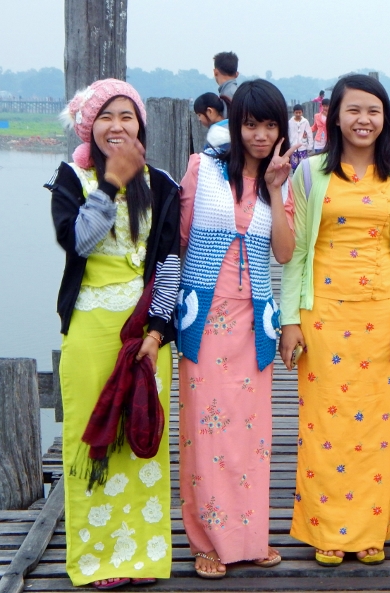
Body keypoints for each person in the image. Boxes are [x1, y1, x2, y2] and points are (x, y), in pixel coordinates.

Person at [279, 74, 390, 567]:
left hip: (380, 316)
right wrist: (290, 319)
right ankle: (327, 529)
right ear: (334, 117)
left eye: (373, 111)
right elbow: (297, 252)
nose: (364, 120)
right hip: (323, 313)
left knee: (376, 425)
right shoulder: (310, 173)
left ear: (385, 119)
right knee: (324, 424)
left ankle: (369, 529)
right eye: (354, 110)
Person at [48, 78, 180, 588]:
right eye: (106, 116)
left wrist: (157, 332)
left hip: (143, 331)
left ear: (140, 125)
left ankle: (143, 557)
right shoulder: (71, 178)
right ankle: (99, 558)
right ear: (89, 125)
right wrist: (109, 184)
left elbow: (169, 264)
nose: (117, 126)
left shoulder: (162, 184)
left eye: (127, 116)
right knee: (94, 439)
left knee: (143, 436)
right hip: (90, 327)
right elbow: (79, 242)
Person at [177, 79, 296, 579]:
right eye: (251, 124)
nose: (261, 135)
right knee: (206, 432)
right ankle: (207, 540)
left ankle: (249, 538)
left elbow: (285, 253)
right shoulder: (202, 169)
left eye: (270, 125)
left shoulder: (279, 180)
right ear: (235, 124)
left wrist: (275, 187)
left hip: (254, 322)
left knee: (251, 434)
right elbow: (180, 239)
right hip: (205, 317)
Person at [288, 104, 314, 171]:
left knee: (303, 165)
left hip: (303, 146)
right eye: (296, 112)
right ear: (293, 112)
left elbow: (309, 134)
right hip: (293, 146)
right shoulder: (290, 122)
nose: (298, 114)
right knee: (294, 166)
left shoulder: (305, 122)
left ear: (302, 112)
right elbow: (288, 134)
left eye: (299, 112)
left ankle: (303, 177)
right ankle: (295, 176)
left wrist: (310, 146)